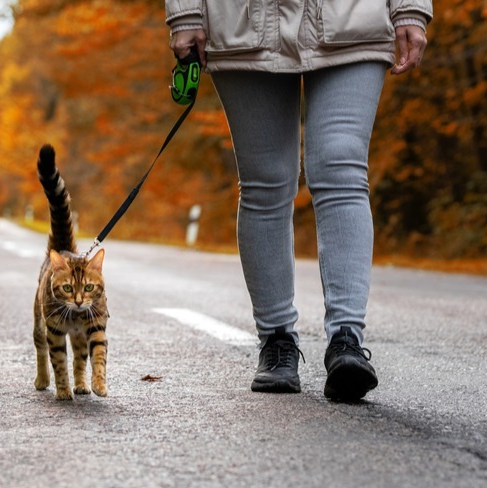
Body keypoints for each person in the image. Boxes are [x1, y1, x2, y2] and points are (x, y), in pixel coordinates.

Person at [166, 0, 431, 400]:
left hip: (353, 16)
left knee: (341, 170)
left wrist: (410, 8)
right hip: (242, 21)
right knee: (265, 183)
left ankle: (347, 341)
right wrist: (186, 13)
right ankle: (276, 342)